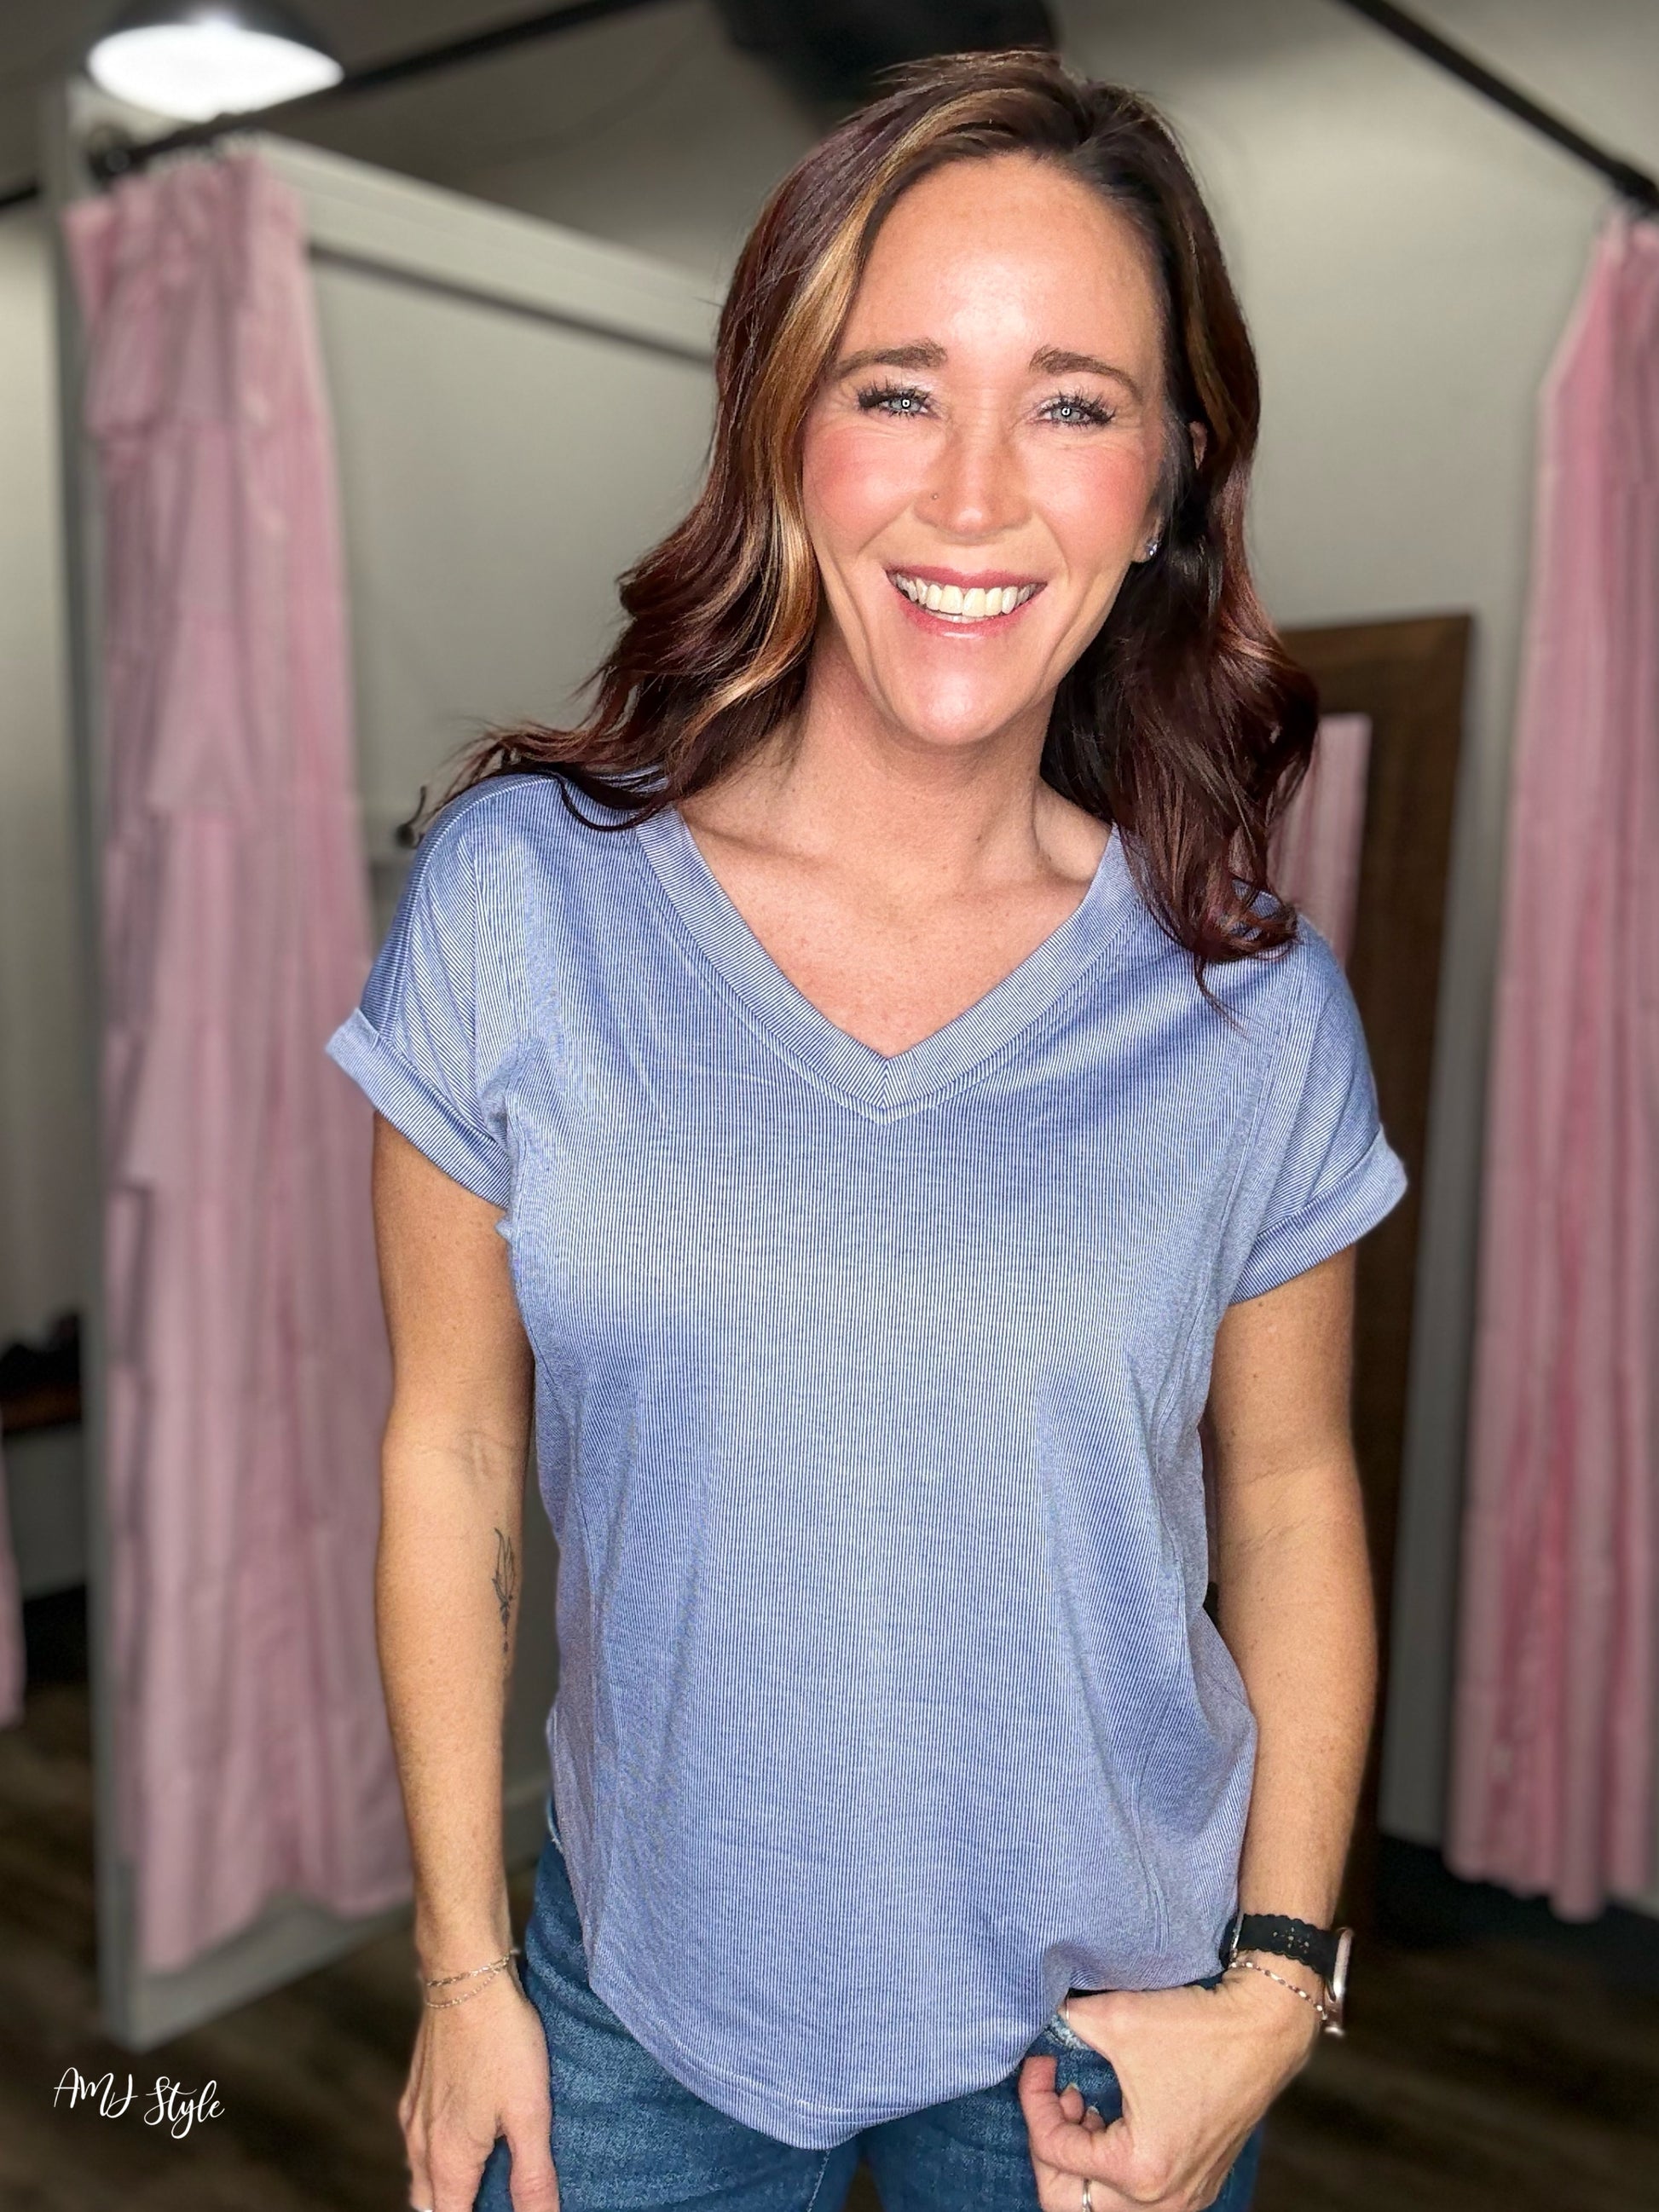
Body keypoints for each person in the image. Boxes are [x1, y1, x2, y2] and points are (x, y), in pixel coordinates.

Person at [325, 47, 1408, 2212]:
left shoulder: (1249, 1006)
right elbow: (448, 1446)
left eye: (1074, 404)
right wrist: (460, 1966)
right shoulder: (524, 902)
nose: (974, 494)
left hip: (1105, 2024)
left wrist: (1277, 1984)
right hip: (638, 1993)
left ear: (1168, 482)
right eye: (898, 389)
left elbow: (1287, 1496)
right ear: (783, 432)